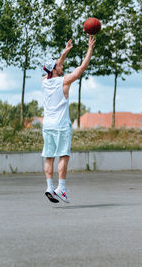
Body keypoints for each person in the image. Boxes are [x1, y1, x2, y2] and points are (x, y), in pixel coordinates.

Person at [42, 36, 96, 203]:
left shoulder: (44, 81)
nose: (62, 66)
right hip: (61, 125)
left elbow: (54, 67)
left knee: (49, 157)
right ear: (55, 70)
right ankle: (62, 188)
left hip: (47, 125)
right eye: (60, 66)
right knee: (63, 156)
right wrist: (90, 49)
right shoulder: (63, 81)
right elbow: (81, 68)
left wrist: (65, 52)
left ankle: (49, 186)